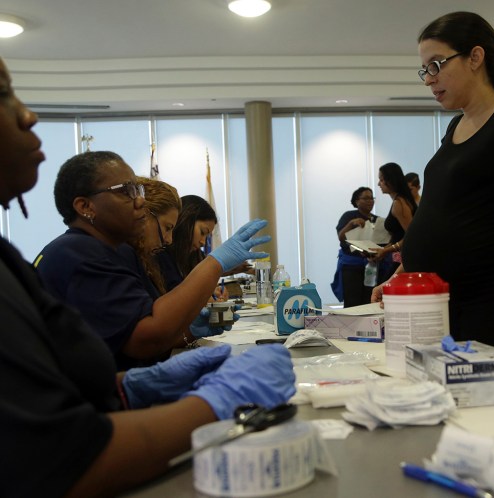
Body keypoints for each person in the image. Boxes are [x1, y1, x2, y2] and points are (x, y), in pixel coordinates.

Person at [0, 57, 296, 497]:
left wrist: (128, 388)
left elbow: (58, 386)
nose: (28, 114)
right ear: (85, 207)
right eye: (3, 93)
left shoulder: (19, 258)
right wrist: (216, 402)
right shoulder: (78, 254)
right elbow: (56, 459)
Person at [375, 12, 494, 361]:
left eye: (436, 65)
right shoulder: (456, 125)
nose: (429, 79)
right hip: (441, 304)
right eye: (425, 70)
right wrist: (401, 274)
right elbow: (442, 212)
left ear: (475, 57)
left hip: (487, 303)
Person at [34, 151, 269, 369]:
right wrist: (214, 263)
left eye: (139, 191)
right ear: (86, 206)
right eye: (126, 191)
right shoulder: (79, 254)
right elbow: (145, 340)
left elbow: (137, 331)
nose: (140, 202)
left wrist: (189, 331)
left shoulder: (112, 251)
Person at [122, 176, 182, 297]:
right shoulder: (122, 256)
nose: (169, 240)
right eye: (167, 228)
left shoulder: (146, 259)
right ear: (146, 213)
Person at [331, 186, 380, 306]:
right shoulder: (349, 216)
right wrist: (351, 224)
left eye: (372, 198)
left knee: (369, 300)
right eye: (366, 198)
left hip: (371, 266)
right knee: (352, 301)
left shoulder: (377, 220)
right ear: (357, 201)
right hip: (351, 265)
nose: (370, 201)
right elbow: (341, 237)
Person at [371, 162, 417, 271]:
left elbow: (411, 236)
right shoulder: (400, 201)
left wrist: (386, 250)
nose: (378, 184)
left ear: (391, 180)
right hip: (400, 257)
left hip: (404, 259)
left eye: (381, 180)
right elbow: (399, 235)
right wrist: (381, 251)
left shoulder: (399, 203)